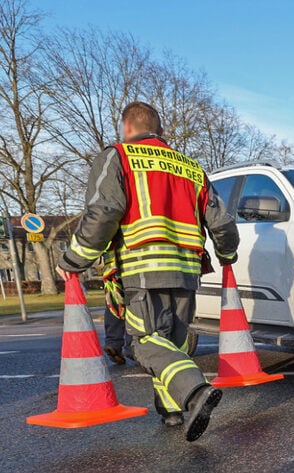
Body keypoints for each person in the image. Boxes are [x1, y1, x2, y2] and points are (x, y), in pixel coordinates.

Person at [58, 102, 239, 441]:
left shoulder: (118, 156)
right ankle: (172, 412)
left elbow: (104, 212)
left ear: (126, 128)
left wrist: (73, 259)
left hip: (142, 266)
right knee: (173, 342)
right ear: (160, 129)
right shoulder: (190, 167)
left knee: (145, 343)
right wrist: (228, 254)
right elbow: (222, 223)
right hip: (186, 270)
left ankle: (195, 390)